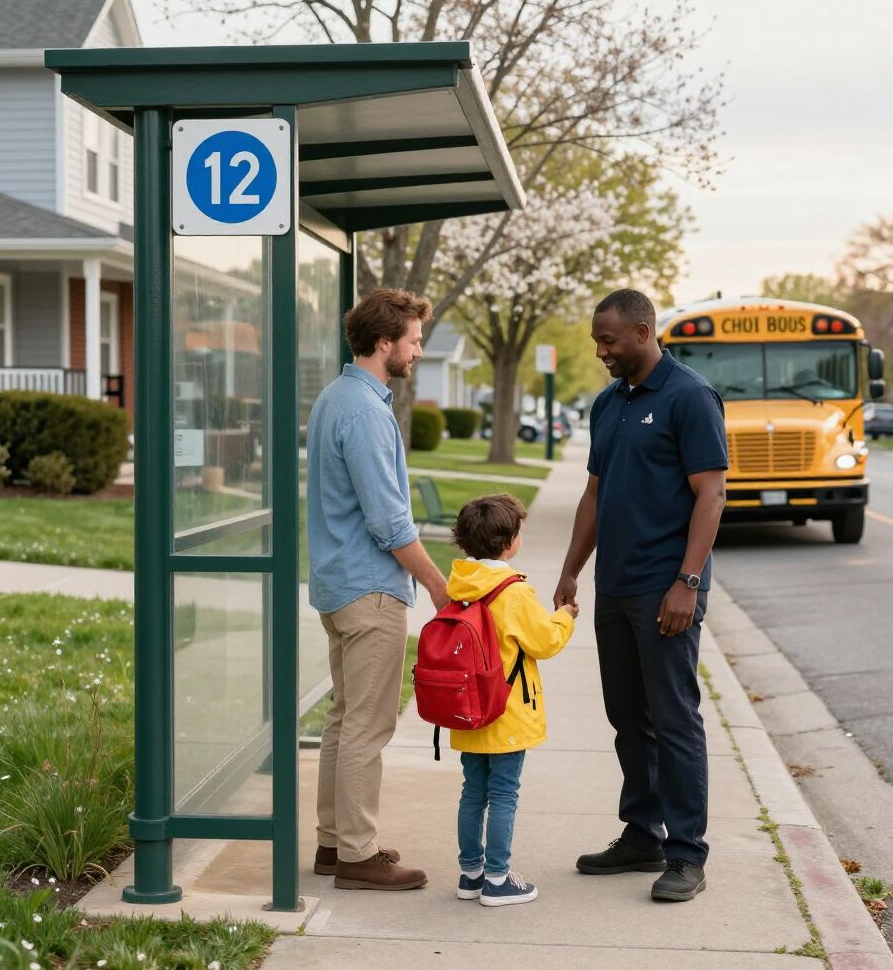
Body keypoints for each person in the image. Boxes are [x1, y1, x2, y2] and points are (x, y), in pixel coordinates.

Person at [553, 288, 727, 903]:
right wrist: (572, 568)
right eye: (597, 341)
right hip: (615, 586)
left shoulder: (689, 397)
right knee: (628, 716)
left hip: (665, 587)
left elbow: (711, 494)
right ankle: (642, 833)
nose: (601, 351)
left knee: (674, 719)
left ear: (644, 331)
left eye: (609, 340)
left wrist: (688, 582)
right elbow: (596, 493)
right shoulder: (609, 403)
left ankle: (686, 854)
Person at [307, 287, 451, 892]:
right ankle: (358, 857)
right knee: (367, 725)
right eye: (414, 340)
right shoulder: (365, 411)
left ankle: (335, 844)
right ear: (385, 341)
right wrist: (442, 589)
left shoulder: (336, 398)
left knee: (346, 720)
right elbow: (390, 523)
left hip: (340, 587)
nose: (419, 350)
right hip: (369, 591)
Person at [445, 493, 577, 906]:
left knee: (473, 792)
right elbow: (545, 641)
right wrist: (565, 617)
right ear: (510, 541)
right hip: (506, 711)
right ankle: (499, 879)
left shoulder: (460, 585)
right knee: (504, 794)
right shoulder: (513, 592)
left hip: (469, 710)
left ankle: (471, 874)